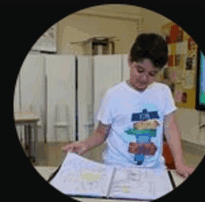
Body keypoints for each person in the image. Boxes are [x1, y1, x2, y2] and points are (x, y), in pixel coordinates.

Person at [62, 33, 194, 178]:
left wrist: (180, 163)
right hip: (117, 170)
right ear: (130, 61)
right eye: (140, 70)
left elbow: (171, 128)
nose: (144, 79)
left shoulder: (163, 92)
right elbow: (101, 133)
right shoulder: (113, 95)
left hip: (154, 171)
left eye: (152, 74)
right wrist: (84, 145)